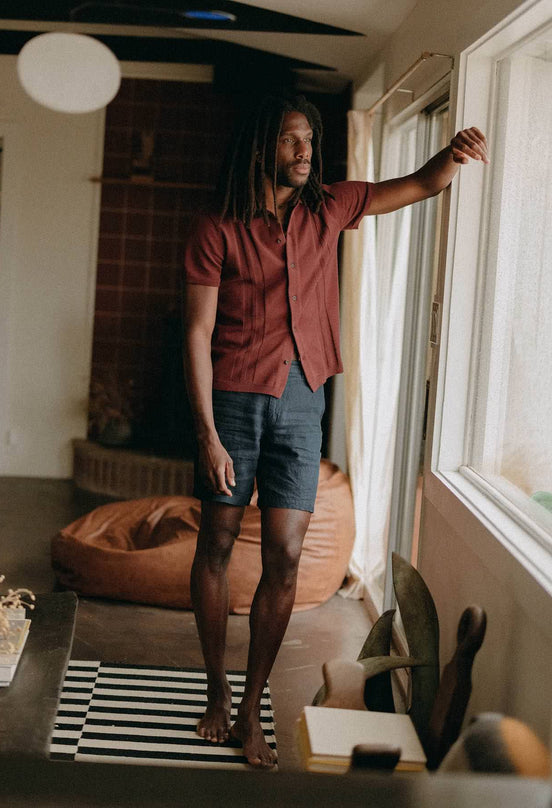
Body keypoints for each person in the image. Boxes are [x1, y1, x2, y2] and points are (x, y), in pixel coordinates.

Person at [182, 94, 488, 768]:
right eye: (293, 141)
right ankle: (215, 693)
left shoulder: (330, 206)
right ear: (264, 146)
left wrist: (454, 153)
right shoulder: (218, 225)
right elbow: (198, 331)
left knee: (285, 553)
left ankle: (252, 705)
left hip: (302, 401)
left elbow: (417, 185)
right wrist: (206, 433)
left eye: (310, 142)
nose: (306, 153)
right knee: (218, 542)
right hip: (231, 397)